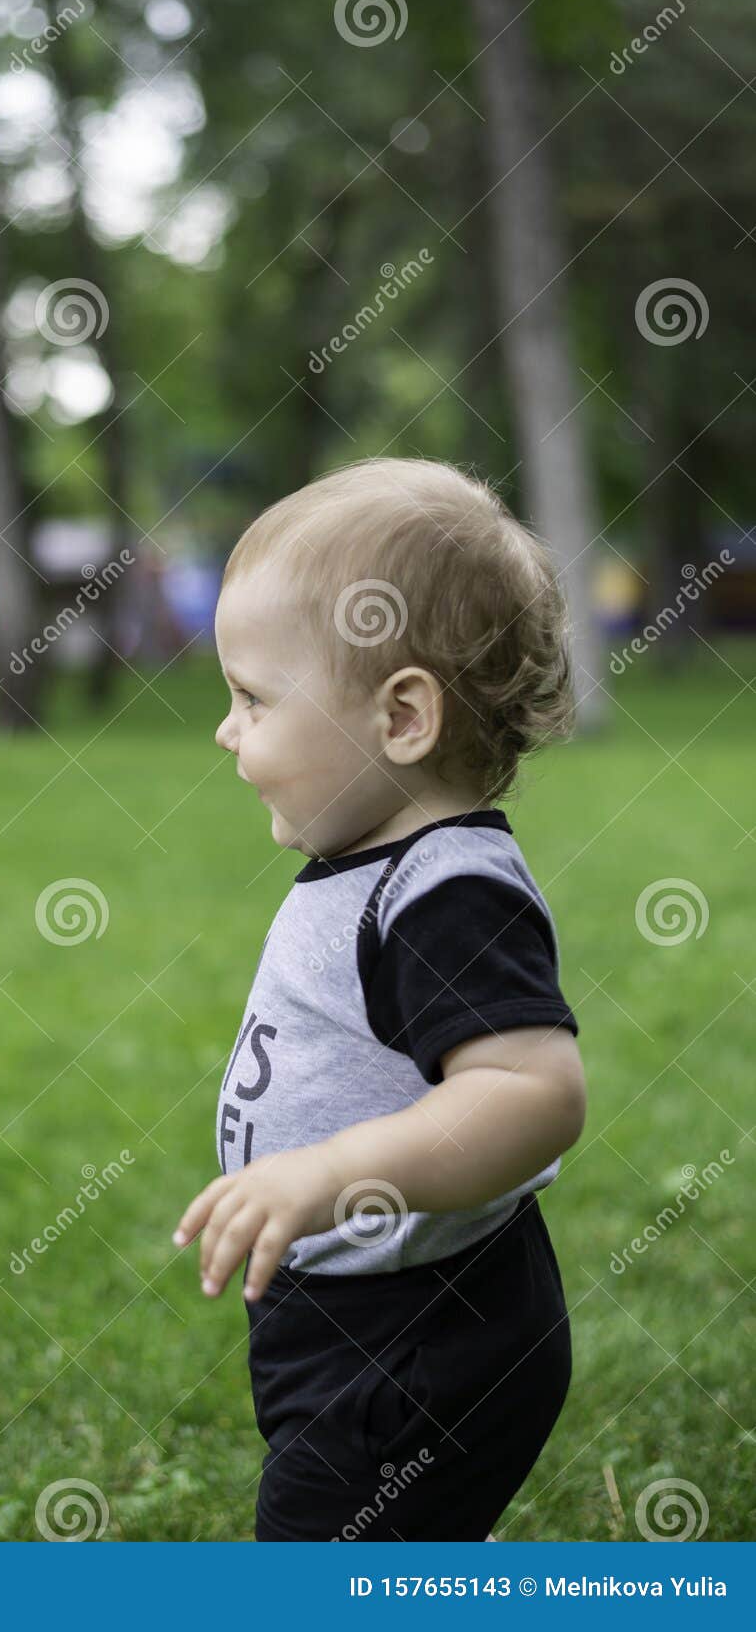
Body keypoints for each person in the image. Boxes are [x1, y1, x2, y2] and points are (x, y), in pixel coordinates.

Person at [171, 457, 587, 1542]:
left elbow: (532, 1090)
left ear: (403, 714)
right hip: (369, 1317)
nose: (228, 729)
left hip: (420, 1333)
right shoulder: (385, 866)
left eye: (254, 698)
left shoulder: (444, 891)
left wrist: (328, 1171)